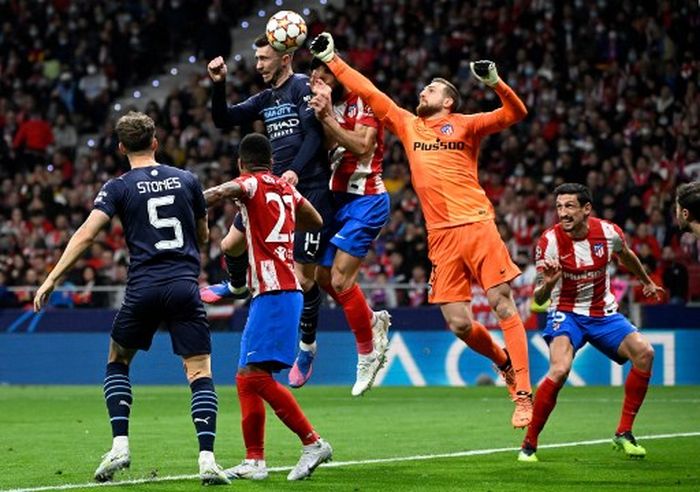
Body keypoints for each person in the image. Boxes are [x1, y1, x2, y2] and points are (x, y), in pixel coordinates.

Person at [309, 33, 533, 427]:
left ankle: (524, 396)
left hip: (477, 224)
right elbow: (369, 91)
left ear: (447, 101)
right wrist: (333, 58)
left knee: (502, 303)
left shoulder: (466, 125)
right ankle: (503, 362)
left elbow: (515, 114)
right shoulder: (408, 125)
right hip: (441, 237)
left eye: (432, 88)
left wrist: (496, 83)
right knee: (460, 324)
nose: (423, 90)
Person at [33, 112, 229, 485]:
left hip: (143, 287)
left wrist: (52, 277)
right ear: (156, 142)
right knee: (199, 371)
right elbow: (203, 238)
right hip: (185, 287)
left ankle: (120, 445)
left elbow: (87, 234)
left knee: (118, 359)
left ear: (122, 148)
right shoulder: (188, 180)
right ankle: (207, 459)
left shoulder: (118, 187)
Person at [203, 35, 333, 387]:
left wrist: (296, 171)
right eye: (257, 58)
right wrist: (219, 85)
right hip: (272, 186)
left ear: (286, 58)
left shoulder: (302, 87)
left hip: (310, 186)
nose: (258, 65)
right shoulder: (266, 97)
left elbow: (314, 136)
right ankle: (237, 284)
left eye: (263, 59)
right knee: (230, 245)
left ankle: (306, 347)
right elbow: (222, 118)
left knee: (305, 279)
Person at [203, 133, 332, 481]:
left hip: (276, 292)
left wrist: (188, 201)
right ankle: (255, 460)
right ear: (272, 162)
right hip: (278, 292)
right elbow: (316, 221)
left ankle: (313, 442)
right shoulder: (286, 188)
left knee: (254, 378)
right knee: (246, 377)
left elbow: (220, 193)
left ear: (241, 164)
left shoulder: (248, 183)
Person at [518, 183, 664, 462]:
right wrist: (548, 285)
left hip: (603, 314)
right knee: (559, 370)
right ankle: (529, 444)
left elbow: (626, 255)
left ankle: (624, 433)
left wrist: (646, 281)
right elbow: (538, 298)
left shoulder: (609, 233)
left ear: (586, 209)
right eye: (559, 207)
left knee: (645, 353)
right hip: (566, 312)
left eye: (569, 206)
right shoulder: (549, 242)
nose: (563, 213)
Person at [299, 57, 391, 396]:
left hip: (367, 198)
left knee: (339, 278)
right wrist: (320, 114)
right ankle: (373, 320)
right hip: (335, 198)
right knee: (322, 278)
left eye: (325, 73)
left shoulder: (363, 99)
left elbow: (362, 145)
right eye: (315, 75)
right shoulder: (325, 104)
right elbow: (325, 146)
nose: (319, 79)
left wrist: (326, 117)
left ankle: (367, 353)